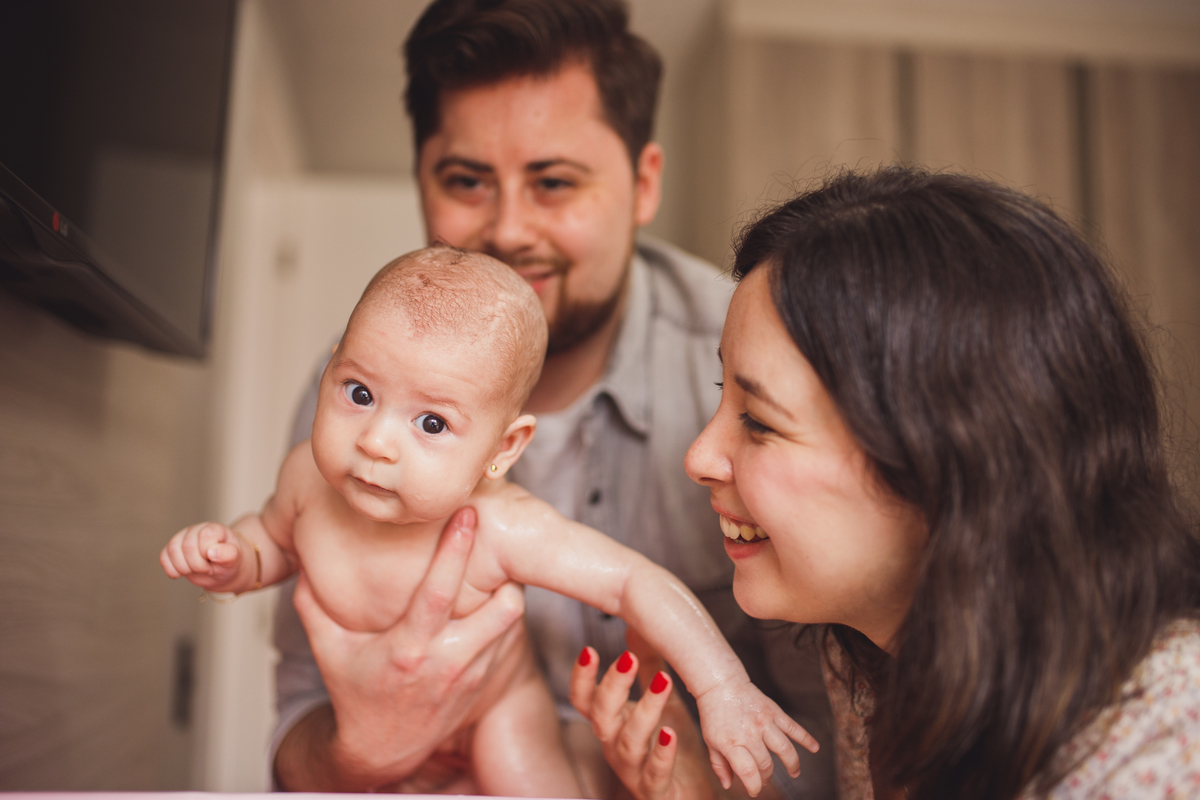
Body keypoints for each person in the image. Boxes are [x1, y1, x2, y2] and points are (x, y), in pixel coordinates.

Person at [270, 1, 836, 797]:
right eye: (467, 180)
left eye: (554, 182)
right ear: (422, 180)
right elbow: (295, 730)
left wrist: (698, 783)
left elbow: (842, 749)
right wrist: (362, 750)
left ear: (642, 185)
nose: (507, 229)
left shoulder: (759, 376)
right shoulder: (359, 410)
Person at [571, 166, 1200, 800]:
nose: (700, 456)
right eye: (721, 395)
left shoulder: (1169, 741)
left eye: (759, 422)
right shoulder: (871, 658)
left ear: (944, 459)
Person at [161, 248, 816, 796]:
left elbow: (633, 582)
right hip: (364, 730)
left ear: (504, 450)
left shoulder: (499, 525)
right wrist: (235, 557)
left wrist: (724, 687)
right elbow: (273, 539)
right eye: (359, 393)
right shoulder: (306, 476)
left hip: (498, 713)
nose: (377, 441)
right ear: (331, 368)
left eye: (432, 423)